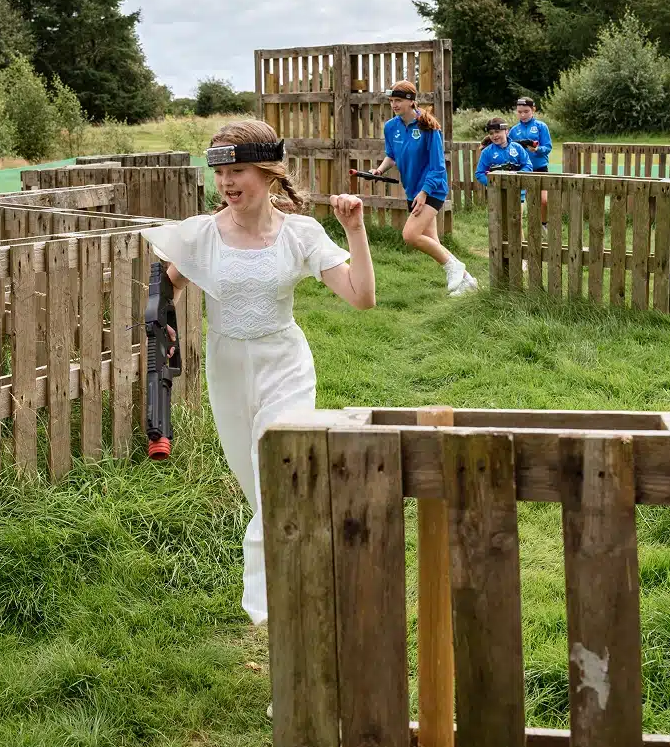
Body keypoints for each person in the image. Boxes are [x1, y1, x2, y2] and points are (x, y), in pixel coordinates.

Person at [140, 119, 377, 632]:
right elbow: (164, 295)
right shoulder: (202, 235)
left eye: (239, 170)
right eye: (221, 172)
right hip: (227, 373)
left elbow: (361, 297)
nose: (227, 182)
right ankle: (310, 571)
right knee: (262, 494)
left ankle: (274, 617)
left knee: (277, 480)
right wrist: (163, 328)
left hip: (283, 365)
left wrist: (355, 230)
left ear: (268, 172)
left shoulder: (299, 234)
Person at [370, 79, 478, 296]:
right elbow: (392, 155)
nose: (394, 105)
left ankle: (454, 267)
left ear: (412, 101)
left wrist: (424, 192)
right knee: (433, 242)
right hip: (413, 190)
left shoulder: (429, 127)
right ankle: (470, 283)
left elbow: (438, 167)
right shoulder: (391, 127)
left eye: (398, 100)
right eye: (391, 101)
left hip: (433, 189)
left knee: (410, 235)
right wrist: (380, 170)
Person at [509, 97, 552, 225]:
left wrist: (538, 149)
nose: (523, 115)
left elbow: (548, 147)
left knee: (544, 201)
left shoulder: (541, 126)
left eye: (526, 111)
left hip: (540, 167)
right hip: (521, 169)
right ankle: (521, 227)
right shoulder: (513, 130)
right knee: (521, 202)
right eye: (519, 112)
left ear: (533, 110)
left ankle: (544, 224)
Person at [475, 118, 532, 186]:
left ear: (506, 131)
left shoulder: (518, 148)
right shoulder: (486, 152)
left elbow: (528, 165)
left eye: (497, 131)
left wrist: (518, 176)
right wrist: (492, 183)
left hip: (518, 190)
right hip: (496, 192)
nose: (494, 135)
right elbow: (479, 173)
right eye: (491, 133)